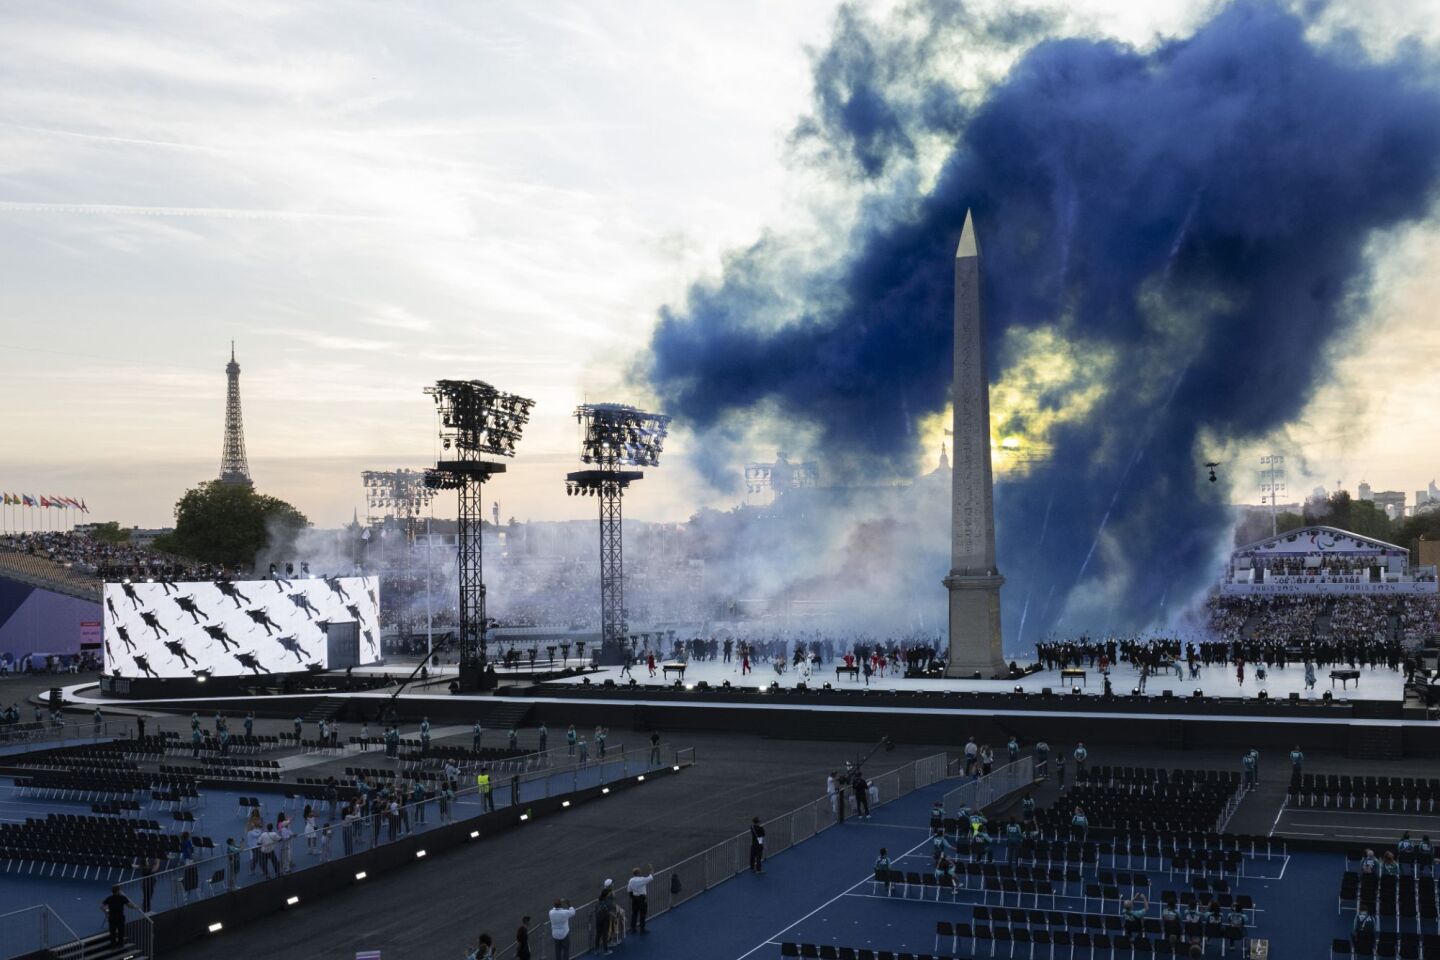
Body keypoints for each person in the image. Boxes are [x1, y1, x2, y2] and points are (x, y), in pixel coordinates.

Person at [628, 864, 653, 933]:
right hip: (642, 899)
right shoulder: (642, 880)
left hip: (635, 899)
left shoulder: (631, 880)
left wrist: (633, 898)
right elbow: (651, 877)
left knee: (634, 914)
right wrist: (651, 869)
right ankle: (642, 929)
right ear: (638, 873)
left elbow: (629, 890)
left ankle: (633, 928)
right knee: (643, 914)